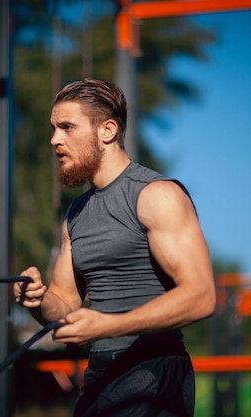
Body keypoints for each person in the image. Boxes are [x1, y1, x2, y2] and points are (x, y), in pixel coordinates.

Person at [14, 78, 215, 417]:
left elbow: (202, 296)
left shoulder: (157, 195)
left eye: (66, 127)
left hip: (155, 369)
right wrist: (38, 300)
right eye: (53, 128)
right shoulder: (76, 214)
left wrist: (108, 325)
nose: (54, 140)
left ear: (106, 131)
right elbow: (65, 312)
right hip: (101, 373)